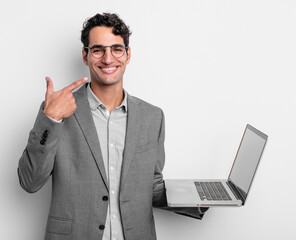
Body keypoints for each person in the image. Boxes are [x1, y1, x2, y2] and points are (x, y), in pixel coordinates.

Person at [18, 13, 207, 240]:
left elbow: (151, 188)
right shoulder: (57, 109)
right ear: (85, 56)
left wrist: (195, 198)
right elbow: (30, 182)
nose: (108, 59)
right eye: (98, 50)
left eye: (117, 49)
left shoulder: (152, 117)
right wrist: (51, 118)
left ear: (128, 55)